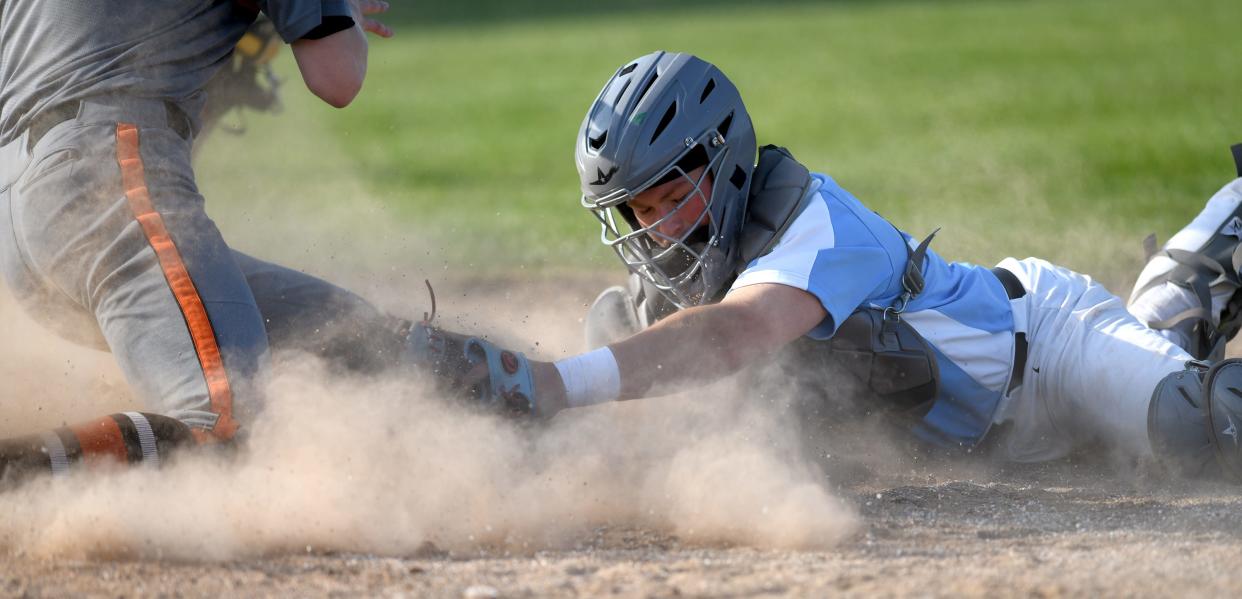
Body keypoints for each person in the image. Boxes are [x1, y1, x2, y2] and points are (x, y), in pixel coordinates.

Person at [435, 51, 1242, 483]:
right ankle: (1177, 298)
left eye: (671, 195)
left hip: (1047, 353)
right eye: (638, 212)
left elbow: (735, 333)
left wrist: (554, 384)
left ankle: (1212, 245)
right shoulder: (656, 299)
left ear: (724, 160)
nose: (657, 227)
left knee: (1201, 425)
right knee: (1155, 375)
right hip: (991, 450)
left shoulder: (813, 221)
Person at [0, 0, 431, 483]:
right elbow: (337, 75)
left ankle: (517, 389)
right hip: (109, 182)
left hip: (27, 220)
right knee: (231, 431)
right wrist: (343, 11)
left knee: (347, 339)